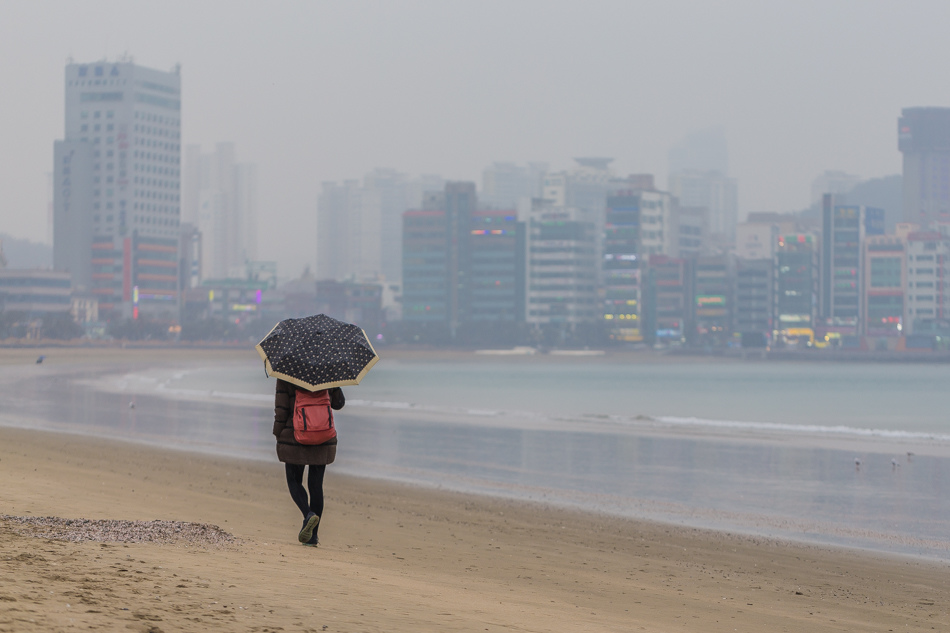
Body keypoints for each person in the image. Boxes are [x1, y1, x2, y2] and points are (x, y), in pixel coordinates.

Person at [273, 378, 345, 546]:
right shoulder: (326, 371)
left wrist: (278, 433)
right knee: (316, 485)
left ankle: (308, 514)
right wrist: (334, 383)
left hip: (294, 436)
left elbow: (281, 409)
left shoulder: (286, 373)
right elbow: (338, 403)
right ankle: (313, 537)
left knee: (294, 480)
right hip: (322, 435)